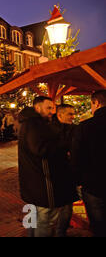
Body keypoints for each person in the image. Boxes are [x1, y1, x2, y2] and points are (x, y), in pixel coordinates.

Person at [18, 96, 77, 237]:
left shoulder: (31, 123)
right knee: (45, 221)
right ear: (37, 108)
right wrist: (65, 144)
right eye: (48, 108)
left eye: (53, 108)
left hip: (34, 181)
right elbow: (41, 149)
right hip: (42, 182)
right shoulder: (34, 124)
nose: (52, 111)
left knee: (36, 218)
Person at [72, 90, 106, 237]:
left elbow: (76, 157)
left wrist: (78, 180)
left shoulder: (85, 127)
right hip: (93, 183)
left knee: (98, 226)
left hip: (93, 185)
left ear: (96, 103)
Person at [48, 104, 78, 237]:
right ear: (60, 115)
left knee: (67, 206)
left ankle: (61, 232)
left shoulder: (75, 129)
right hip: (53, 174)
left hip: (69, 174)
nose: (73, 116)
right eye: (70, 114)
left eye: (73, 113)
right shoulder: (49, 130)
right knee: (52, 209)